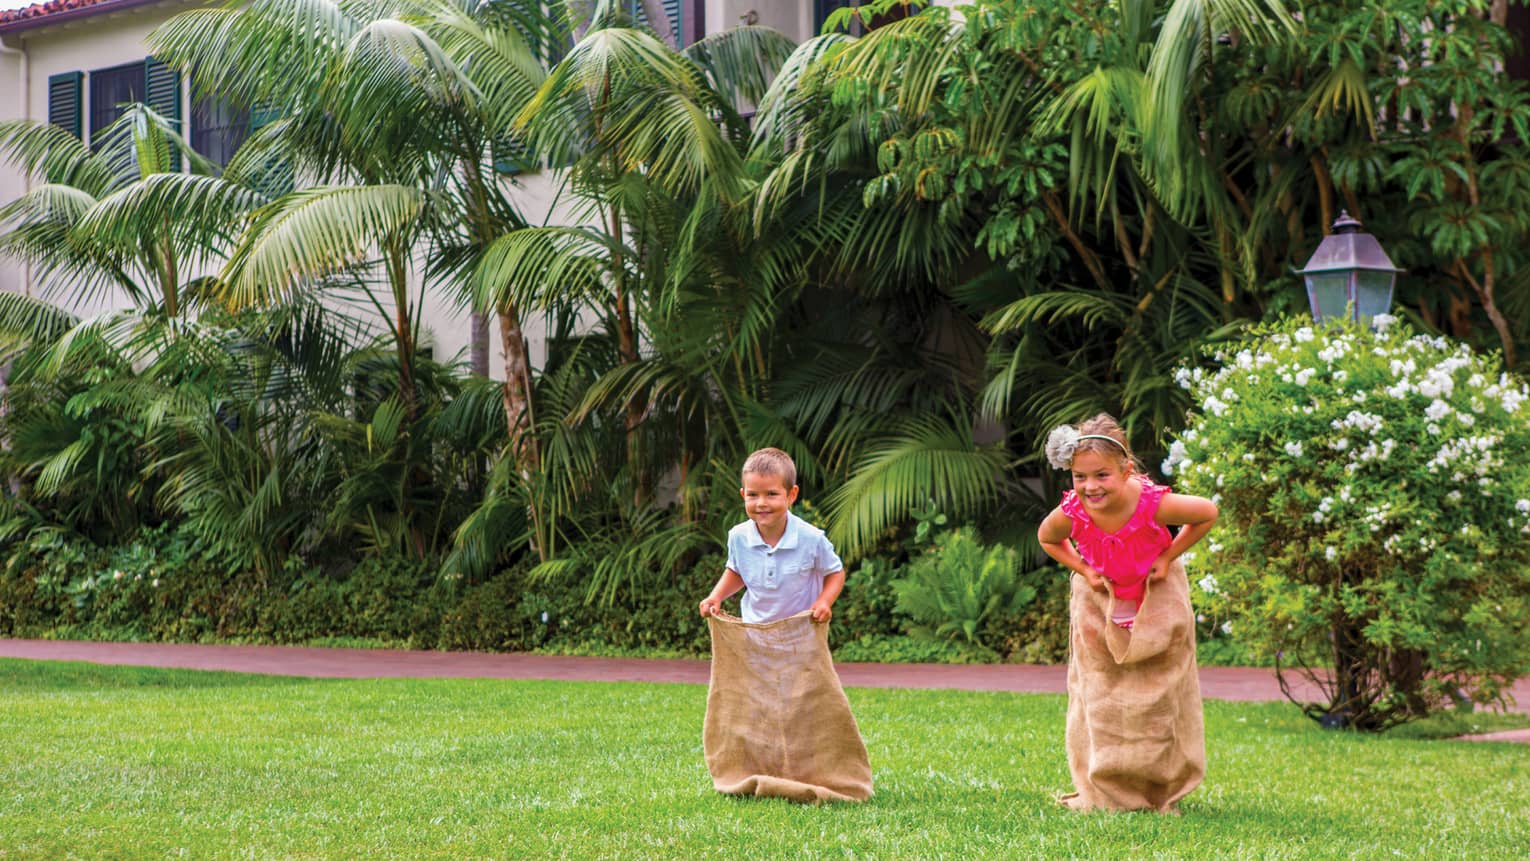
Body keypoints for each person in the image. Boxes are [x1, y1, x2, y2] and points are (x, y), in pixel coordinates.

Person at [1035, 413, 1218, 813]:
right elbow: (1047, 538)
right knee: (1101, 696)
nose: (1090, 486)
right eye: (1079, 477)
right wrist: (1085, 569)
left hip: (1152, 603)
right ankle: (1104, 786)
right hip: (1104, 605)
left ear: (1126, 469)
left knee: (1153, 698)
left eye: (1101, 475)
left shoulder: (1153, 504)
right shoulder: (1074, 511)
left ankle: (1154, 787)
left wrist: (1168, 556)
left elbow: (1206, 512)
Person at [699, 447, 845, 623]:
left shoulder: (811, 538)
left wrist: (824, 602)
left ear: (791, 495)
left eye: (771, 494)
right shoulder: (738, 537)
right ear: (743, 495)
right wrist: (717, 596)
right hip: (755, 632)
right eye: (753, 495)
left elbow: (835, 572)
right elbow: (738, 571)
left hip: (803, 633)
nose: (761, 503)